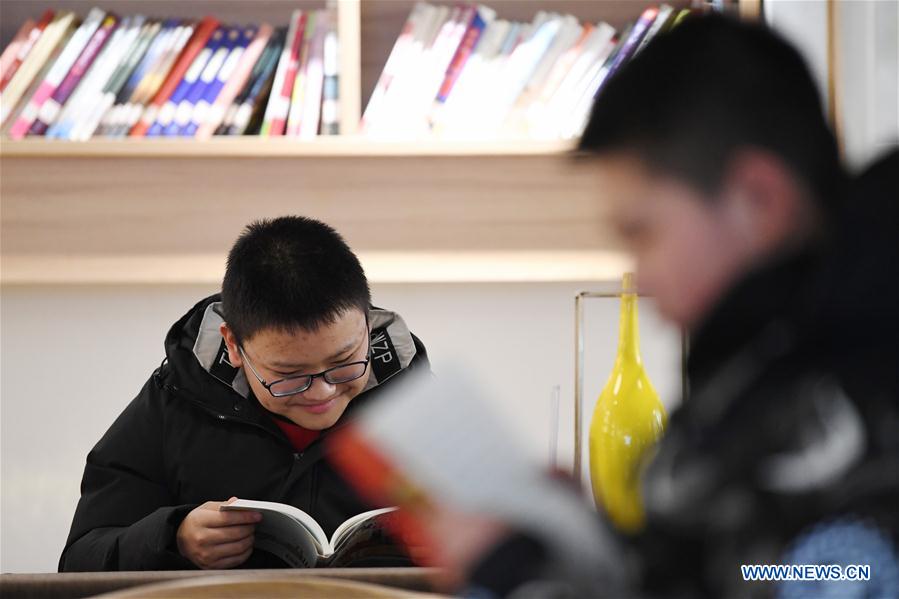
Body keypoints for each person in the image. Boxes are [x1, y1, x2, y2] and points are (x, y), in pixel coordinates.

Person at [412, 15, 899, 597]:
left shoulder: (850, 400)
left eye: (642, 232)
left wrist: (516, 572)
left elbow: (802, 576)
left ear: (760, 200)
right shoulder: (766, 362)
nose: (639, 275)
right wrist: (587, 541)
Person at [59, 216, 431, 571]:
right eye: (289, 374)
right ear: (233, 345)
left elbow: (484, 547)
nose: (323, 390)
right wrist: (175, 538)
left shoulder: (419, 402)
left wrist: (453, 550)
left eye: (345, 361)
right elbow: (79, 561)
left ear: (366, 324)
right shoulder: (176, 400)